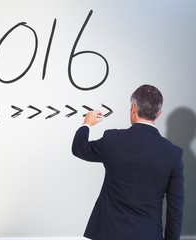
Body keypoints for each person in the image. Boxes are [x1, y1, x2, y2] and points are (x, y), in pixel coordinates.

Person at [72, 84, 184, 240]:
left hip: (109, 233)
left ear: (133, 108)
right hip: (149, 235)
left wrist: (87, 124)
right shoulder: (173, 154)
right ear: (158, 114)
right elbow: (175, 208)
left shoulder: (113, 140)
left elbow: (79, 148)